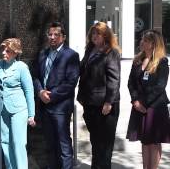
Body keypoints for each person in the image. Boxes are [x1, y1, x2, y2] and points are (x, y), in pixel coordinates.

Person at [33, 22, 80, 169]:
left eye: (56, 34)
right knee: (49, 144)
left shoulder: (71, 55)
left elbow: (71, 82)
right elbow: (35, 76)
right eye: (50, 34)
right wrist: (40, 91)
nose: (52, 37)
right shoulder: (42, 54)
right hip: (45, 106)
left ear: (63, 37)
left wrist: (51, 96)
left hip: (60, 107)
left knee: (64, 144)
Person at [77, 21, 121, 169]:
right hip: (90, 103)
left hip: (105, 106)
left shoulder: (111, 52)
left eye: (98, 33)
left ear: (105, 35)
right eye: (93, 33)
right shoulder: (90, 50)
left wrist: (109, 102)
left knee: (105, 146)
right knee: (96, 143)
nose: (95, 36)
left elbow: (114, 79)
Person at [126, 29, 170, 169]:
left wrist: (143, 102)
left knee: (154, 142)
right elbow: (130, 83)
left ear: (153, 44)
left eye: (145, 40)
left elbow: (160, 86)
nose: (141, 42)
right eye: (142, 40)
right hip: (139, 106)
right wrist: (135, 101)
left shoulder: (162, 61)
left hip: (155, 107)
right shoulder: (137, 60)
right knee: (145, 142)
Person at [0, 38, 36, 169]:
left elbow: (29, 90)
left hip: (18, 109)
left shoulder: (21, 67)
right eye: (3, 50)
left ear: (15, 52)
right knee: (5, 142)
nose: (4, 53)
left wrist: (31, 114)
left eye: (8, 51)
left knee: (18, 143)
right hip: (1, 109)